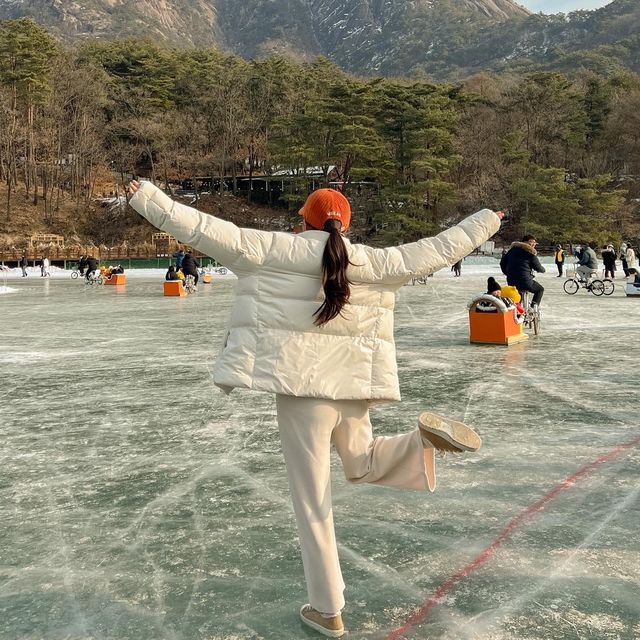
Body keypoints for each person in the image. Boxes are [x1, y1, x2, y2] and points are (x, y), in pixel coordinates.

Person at [128, 179, 503, 638]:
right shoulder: (375, 260)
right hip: (353, 387)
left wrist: (146, 196)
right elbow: (439, 248)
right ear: (346, 223)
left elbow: (201, 227)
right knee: (361, 463)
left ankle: (328, 609)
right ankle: (417, 441)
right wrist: (487, 220)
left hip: (302, 390)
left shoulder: (269, 248)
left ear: (302, 220)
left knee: (313, 503)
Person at [499, 235, 545, 307]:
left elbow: (502, 263)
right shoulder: (530, 253)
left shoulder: (511, 251)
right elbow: (538, 267)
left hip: (511, 281)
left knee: (517, 296)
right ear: (524, 242)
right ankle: (533, 308)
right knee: (540, 290)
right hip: (525, 281)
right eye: (531, 242)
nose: (533, 244)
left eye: (534, 243)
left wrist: (508, 273)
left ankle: (517, 312)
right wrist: (543, 270)